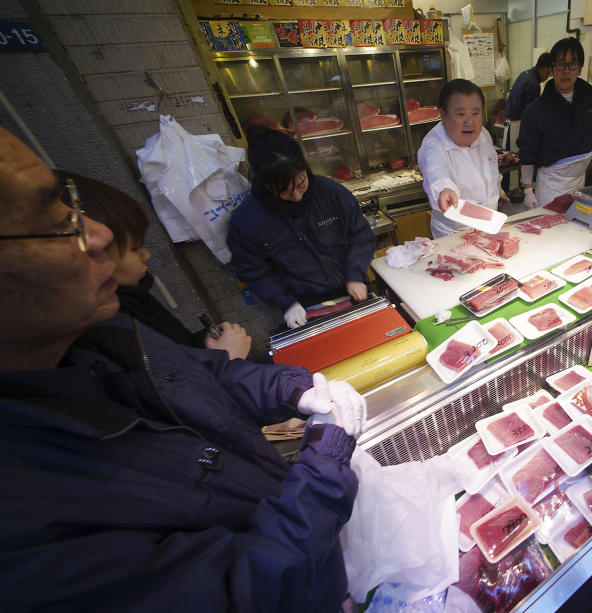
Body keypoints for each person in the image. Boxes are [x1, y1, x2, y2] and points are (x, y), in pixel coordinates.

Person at [0, 125, 370, 610]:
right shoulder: (22, 507)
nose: (100, 235)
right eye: (53, 221)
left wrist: (293, 386)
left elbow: (200, 377)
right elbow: (235, 591)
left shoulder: (104, 333)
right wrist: (321, 470)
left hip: (302, 550)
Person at [66, 171, 252, 360]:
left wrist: (205, 343)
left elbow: (180, 351)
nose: (146, 255)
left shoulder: (135, 298)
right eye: (135, 248)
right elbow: (176, 383)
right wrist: (226, 360)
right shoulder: (103, 334)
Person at [227, 127, 376, 329]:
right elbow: (253, 269)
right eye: (284, 191)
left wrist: (356, 275)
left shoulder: (331, 193)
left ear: (305, 167)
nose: (297, 197)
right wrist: (286, 302)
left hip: (353, 290)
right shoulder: (247, 221)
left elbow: (360, 234)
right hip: (304, 307)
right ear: (264, 184)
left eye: (300, 184)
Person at [517, 37, 592, 209]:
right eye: (560, 64)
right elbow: (527, 152)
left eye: (572, 64)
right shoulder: (536, 109)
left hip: (580, 183)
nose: (565, 71)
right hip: (550, 185)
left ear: (579, 69)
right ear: (551, 69)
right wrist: (528, 190)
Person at [418, 78, 502, 238]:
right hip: (454, 233)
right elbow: (436, 172)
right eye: (461, 114)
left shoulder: (483, 134)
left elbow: (489, 168)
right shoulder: (433, 145)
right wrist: (445, 189)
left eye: (476, 113)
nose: (470, 122)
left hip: (490, 224)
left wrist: (496, 188)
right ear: (443, 115)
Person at [502, 52, 551, 150]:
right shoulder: (533, 83)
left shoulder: (525, 74)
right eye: (549, 74)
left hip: (510, 122)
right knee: (515, 158)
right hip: (517, 124)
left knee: (509, 155)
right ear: (546, 69)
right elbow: (530, 113)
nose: (548, 77)